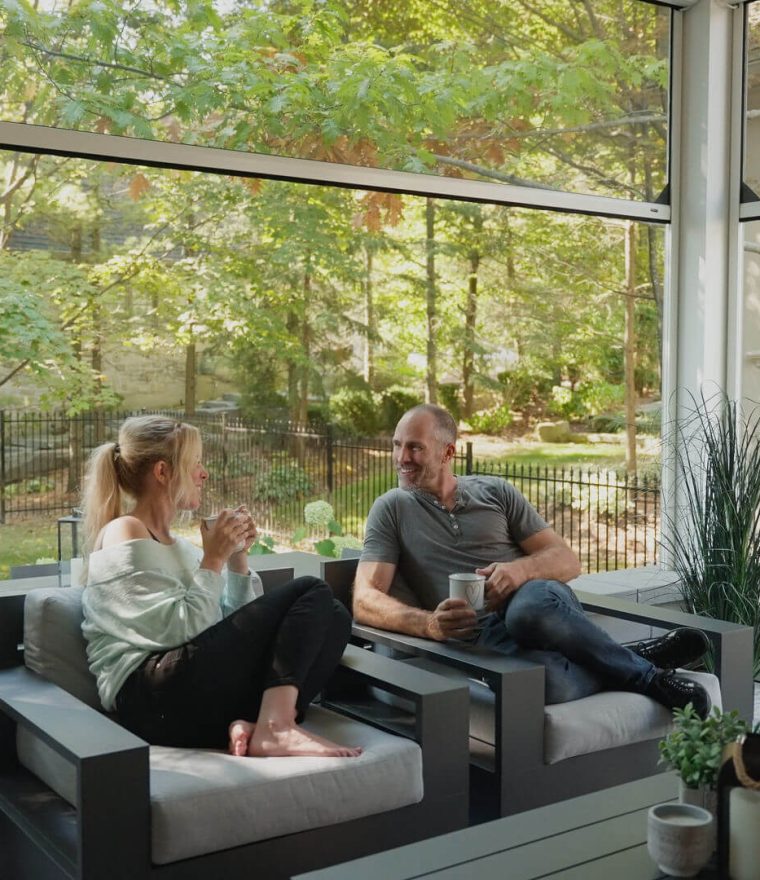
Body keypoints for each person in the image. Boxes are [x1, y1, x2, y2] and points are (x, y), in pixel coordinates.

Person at [353, 404, 711, 717]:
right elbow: (364, 599)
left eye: (415, 447)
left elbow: (567, 560)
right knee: (549, 684)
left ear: (448, 453)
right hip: (483, 637)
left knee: (528, 612)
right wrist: (429, 624)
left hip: (538, 604)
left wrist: (518, 570)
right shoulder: (392, 509)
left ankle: (648, 679)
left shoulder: (495, 492)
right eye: (397, 446)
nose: (401, 458)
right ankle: (631, 657)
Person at [80, 414, 361, 758]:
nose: (203, 473)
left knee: (334, 616)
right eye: (194, 463)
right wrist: (212, 560)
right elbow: (174, 633)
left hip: (190, 694)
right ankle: (277, 727)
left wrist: (236, 559)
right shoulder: (125, 530)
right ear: (163, 472)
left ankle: (258, 724)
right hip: (148, 697)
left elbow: (228, 628)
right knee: (311, 590)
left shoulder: (180, 548)